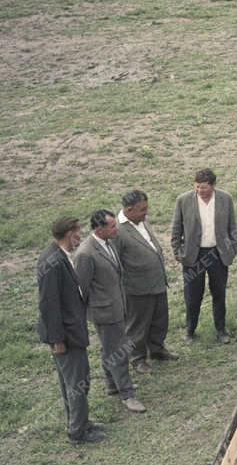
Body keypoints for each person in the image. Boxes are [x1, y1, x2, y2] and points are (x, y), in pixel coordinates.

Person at [37, 217, 102, 444]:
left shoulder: (57, 257)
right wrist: (57, 339)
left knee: (73, 382)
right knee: (77, 382)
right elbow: (49, 305)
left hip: (69, 333)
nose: (80, 236)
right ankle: (78, 432)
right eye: (77, 232)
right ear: (68, 234)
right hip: (66, 336)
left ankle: (81, 423)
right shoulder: (53, 262)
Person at [74, 210, 145, 414]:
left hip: (117, 306)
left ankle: (112, 384)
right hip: (104, 312)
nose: (116, 229)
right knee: (118, 352)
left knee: (109, 349)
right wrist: (97, 308)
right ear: (99, 228)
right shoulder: (85, 254)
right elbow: (82, 288)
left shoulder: (109, 243)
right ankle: (127, 394)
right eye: (112, 226)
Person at [170, 168, 237, 344]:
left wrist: (233, 248)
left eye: (205, 187)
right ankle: (190, 331)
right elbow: (176, 228)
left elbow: (232, 226)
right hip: (194, 256)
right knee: (192, 296)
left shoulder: (225, 199)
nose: (201, 191)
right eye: (198, 187)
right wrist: (177, 251)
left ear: (213, 186)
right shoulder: (183, 200)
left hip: (218, 254)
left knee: (219, 293)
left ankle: (221, 330)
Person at [116, 189, 177, 373]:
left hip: (156, 282)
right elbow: (116, 262)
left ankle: (157, 349)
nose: (146, 213)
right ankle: (138, 358)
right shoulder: (117, 231)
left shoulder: (141, 221)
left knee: (159, 319)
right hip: (137, 288)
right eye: (141, 210)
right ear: (128, 210)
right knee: (138, 325)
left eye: (146, 208)